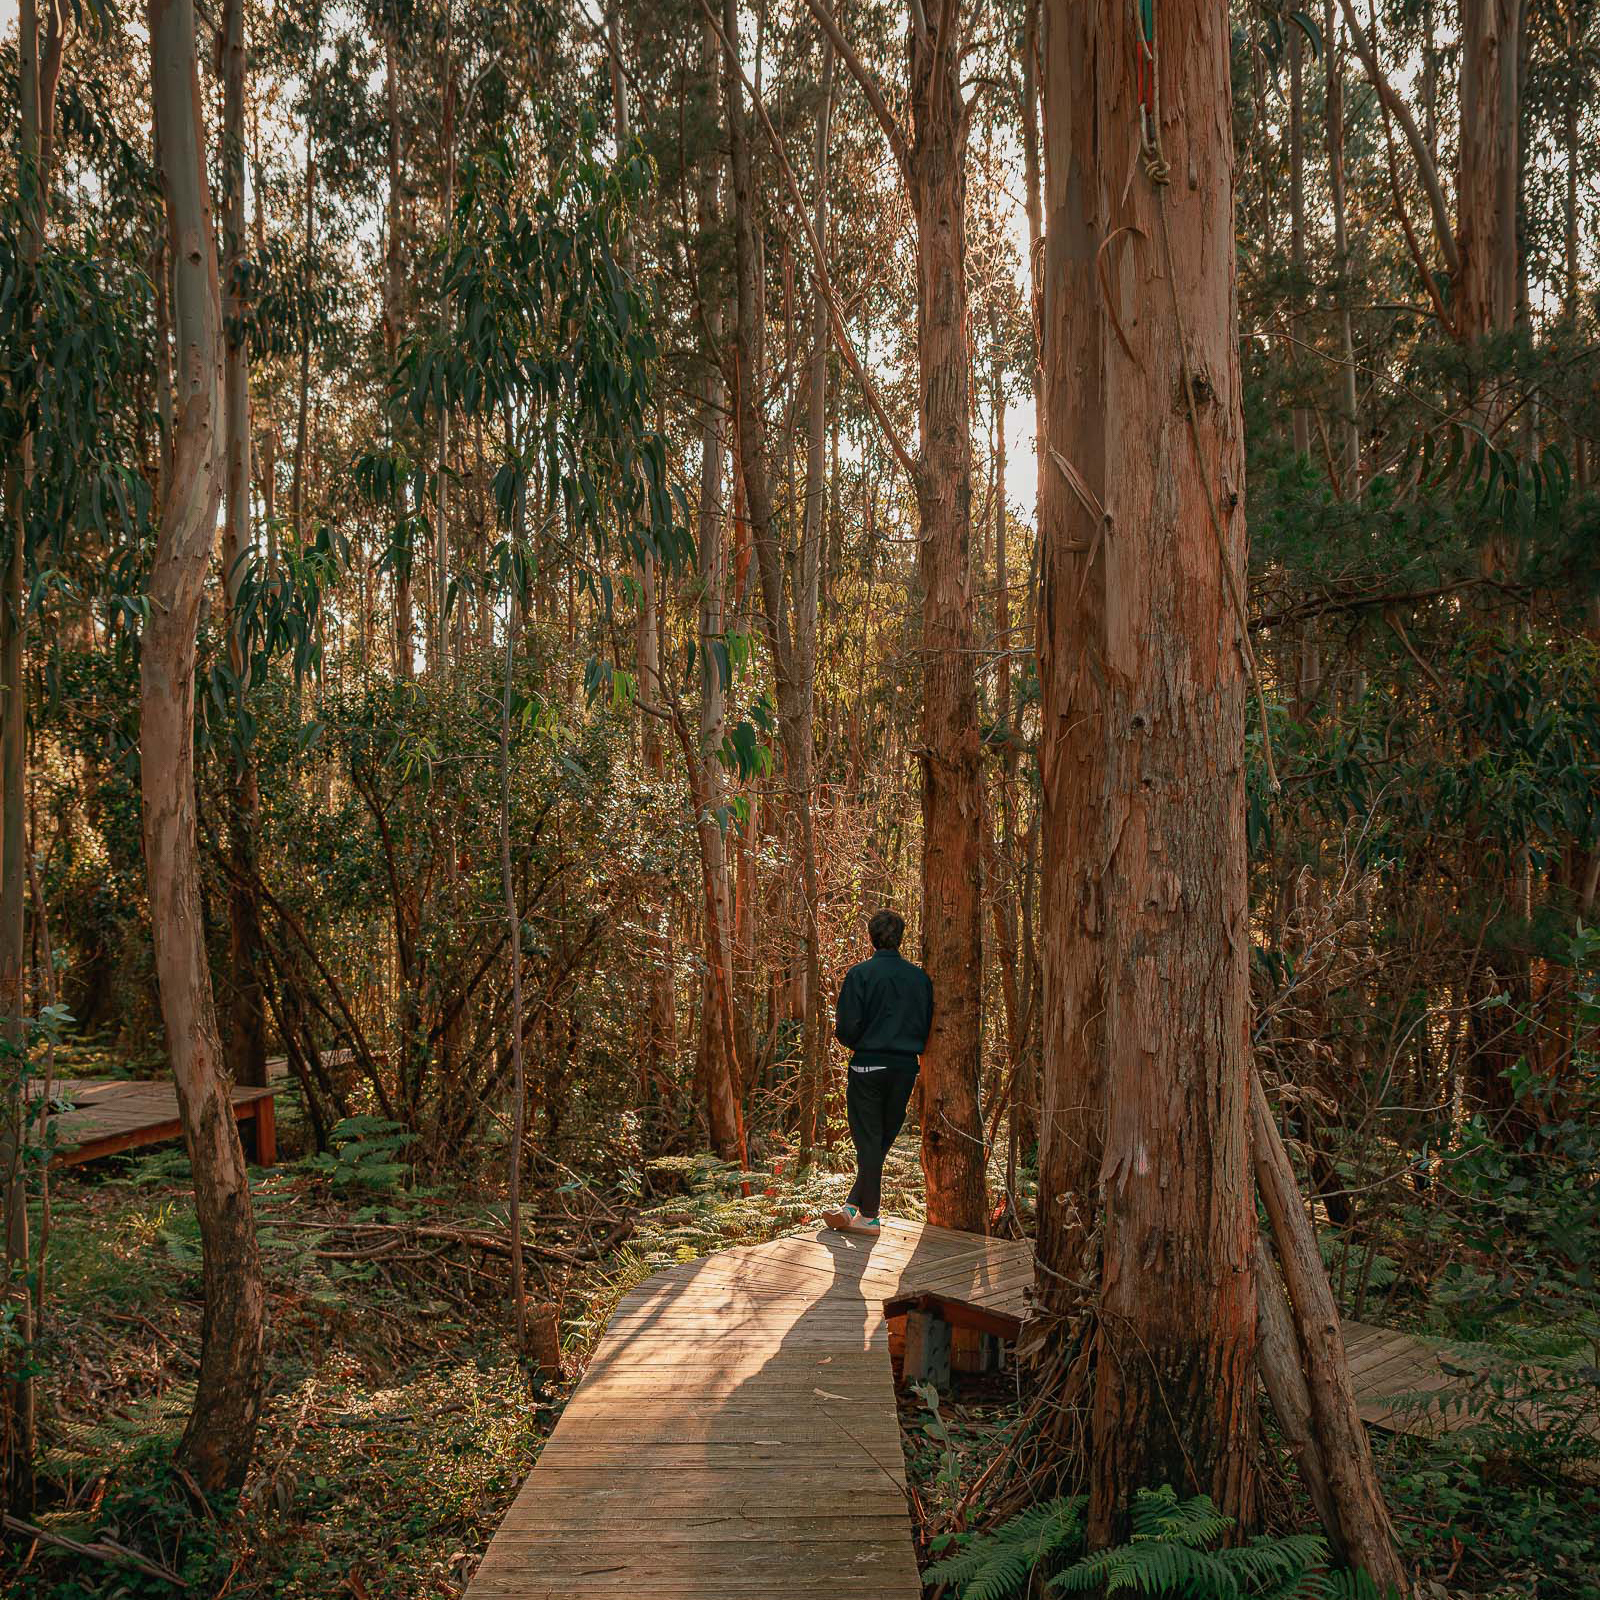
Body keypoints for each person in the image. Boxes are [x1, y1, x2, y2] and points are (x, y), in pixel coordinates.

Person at [822, 909, 933, 1237]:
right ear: (901, 938)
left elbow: (845, 1028)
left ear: (871, 938)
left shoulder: (860, 974)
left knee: (869, 1141)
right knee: (880, 1140)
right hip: (904, 1069)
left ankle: (869, 1216)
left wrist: (864, 1044)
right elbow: (925, 1026)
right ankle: (853, 1206)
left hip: (868, 1066)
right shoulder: (920, 979)